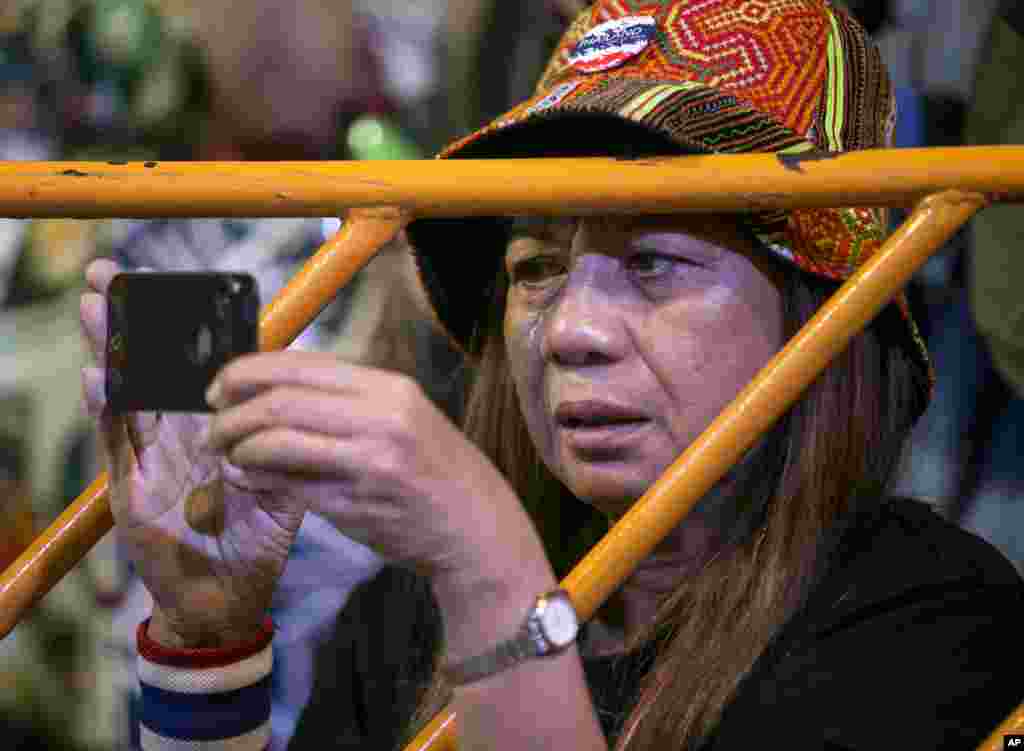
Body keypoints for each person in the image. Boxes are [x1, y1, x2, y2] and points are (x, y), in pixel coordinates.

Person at [78, 1, 1024, 750]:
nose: (569, 330)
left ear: (820, 308)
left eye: (654, 262)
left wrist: (493, 577)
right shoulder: (405, 618)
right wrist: (210, 640)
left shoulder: (933, 622)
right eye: (535, 268)